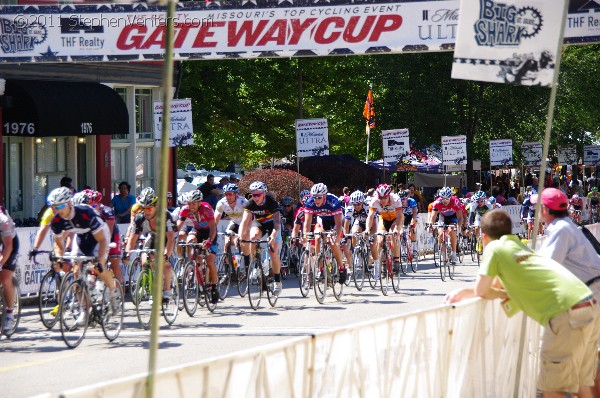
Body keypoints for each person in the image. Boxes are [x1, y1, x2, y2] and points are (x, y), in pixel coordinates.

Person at [445, 209, 600, 397]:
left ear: (483, 237)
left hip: (566, 311)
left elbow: (483, 290)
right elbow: (499, 287)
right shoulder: (521, 246)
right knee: (581, 384)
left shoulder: (494, 248)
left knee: (552, 387)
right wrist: (487, 292)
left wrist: (469, 292)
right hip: (588, 301)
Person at [47, 187, 119, 322]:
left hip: (99, 236)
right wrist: (59, 258)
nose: (58, 210)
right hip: (81, 236)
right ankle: (85, 309)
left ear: (69, 204)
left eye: (61, 206)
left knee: (99, 267)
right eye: (54, 207)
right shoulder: (56, 221)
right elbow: (58, 243)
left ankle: (113, 292)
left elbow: (103, 241)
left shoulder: (85, 213)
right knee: (76, 270)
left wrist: (100, 261)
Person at [125, 187, 177, 301]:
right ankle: (151, 286)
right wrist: (127, 253)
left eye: (149, 208)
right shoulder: (140, 218)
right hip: (153, 237)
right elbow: (132, 239)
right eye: (144, 209)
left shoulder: (165, 216)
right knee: (145, 262)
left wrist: (166, 255)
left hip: (166, 238)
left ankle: (167, 290)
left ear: (156, 207)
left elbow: (171, 238)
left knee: (165, 264)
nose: (147, 211)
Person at [239, 181, 284, 296]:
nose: (255, 197)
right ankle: (255, 265)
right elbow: (244, 222)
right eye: (253, 195)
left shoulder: (272, 203)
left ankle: (277, 281)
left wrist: (272, 237)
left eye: (258, 195)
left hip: (274, 226)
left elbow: (277, 224)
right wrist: (241, 236)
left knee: (272, 251)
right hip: (261, 225)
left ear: (264, 194)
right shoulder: (250, 204)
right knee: (253, 237)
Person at [177, 190, 219, 304]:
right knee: (190, 241)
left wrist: (209, 240)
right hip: (198, 231)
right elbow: (178, 226)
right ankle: (192, 263)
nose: (191, 206)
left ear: (199, 202)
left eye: (194, 203)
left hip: (210, 233)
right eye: (189, 203)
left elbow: (213, 227)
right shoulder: (185, 209)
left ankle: (215, 287)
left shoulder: (206, 208)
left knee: (210, 261)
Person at [302, 183, 347, 284]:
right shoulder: (310, 202)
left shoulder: (333, 201)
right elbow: (307, 222)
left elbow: (339, 224)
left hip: (335, 222)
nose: (316, 200)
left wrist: (337, 237)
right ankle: (320, 269)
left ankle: (341, 267)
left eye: (319, 197)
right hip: (322, 220)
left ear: (324, 196)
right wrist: (305, 236)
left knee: (333, 242)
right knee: (317, 237)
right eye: (314, 197)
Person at [365, 183, 403, 273]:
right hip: (384, 219)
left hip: (396, 219)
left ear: (389, 195)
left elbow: (400, 216)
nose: (383, 200)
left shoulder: (396, 199)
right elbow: (370, 216)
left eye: (385, 198)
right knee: (380, 240)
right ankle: (383, 263)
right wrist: (367, 229)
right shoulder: (374, 201)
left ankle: (396, 260)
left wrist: (397, 229)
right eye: (380, 198)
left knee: (393, 235)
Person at [214, 183, 248, 274]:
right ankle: (227, 271)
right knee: (227, 243)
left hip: (247, 223)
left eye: (230, 194)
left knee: (241, 243)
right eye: (226, 194)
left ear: (236, 194)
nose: (228, 196)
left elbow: (248, 219)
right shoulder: (221, 203)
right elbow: (215, 221)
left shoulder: (243, 202)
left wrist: (242, 234)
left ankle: (247, 267)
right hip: (235, 222)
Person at [428, 187, 463, 264]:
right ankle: (443, 254)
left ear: (450, 197)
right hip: (442, 216)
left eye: (447, 199)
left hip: (453, 217)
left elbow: (460, 217)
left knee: (451, 231)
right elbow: (433, 217)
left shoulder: (455, 201)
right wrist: (431, 225)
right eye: (443, 199)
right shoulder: (437, 202)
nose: (445, 201)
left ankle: (454, 253)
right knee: (440, 233)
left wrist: (458, 226)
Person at [0, 205, 19, 333]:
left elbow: (8, 246)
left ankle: (10, 314)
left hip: (9, 245)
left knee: (5, 278)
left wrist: (1, 263)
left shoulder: (3, 220)